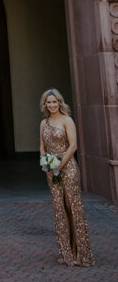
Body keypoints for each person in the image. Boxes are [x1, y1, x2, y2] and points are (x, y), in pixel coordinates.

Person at [39, 88, 94, 267]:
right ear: (45, 105)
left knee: (72, 206)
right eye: (49, 102)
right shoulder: (43, 123)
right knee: (59, 209)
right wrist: (46, 165)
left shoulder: (67, 120)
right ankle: (66, 253)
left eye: (55, 102)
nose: (52, 105)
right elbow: (42, 147)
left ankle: (81, 254)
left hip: (68, 168)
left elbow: (73, 146)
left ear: (60, 103)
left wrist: (59, 165)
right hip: (51, 171)